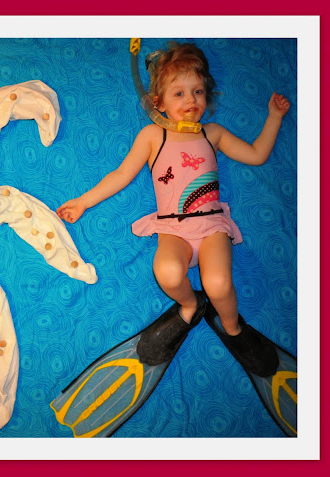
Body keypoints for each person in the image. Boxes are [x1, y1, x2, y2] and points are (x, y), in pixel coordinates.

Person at [57, 43, 290, 376]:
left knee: (219, 283)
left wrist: (274, 117)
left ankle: (233, 327)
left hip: (211, 226)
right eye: (179, 93)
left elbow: (256, 154)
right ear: (159, 104)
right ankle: (190, 304)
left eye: (198, 91)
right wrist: (84, 201)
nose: (191, 99)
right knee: (166, 272)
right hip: (172, 228)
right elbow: (121, 175)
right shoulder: (153, 135)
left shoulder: (213, 134)